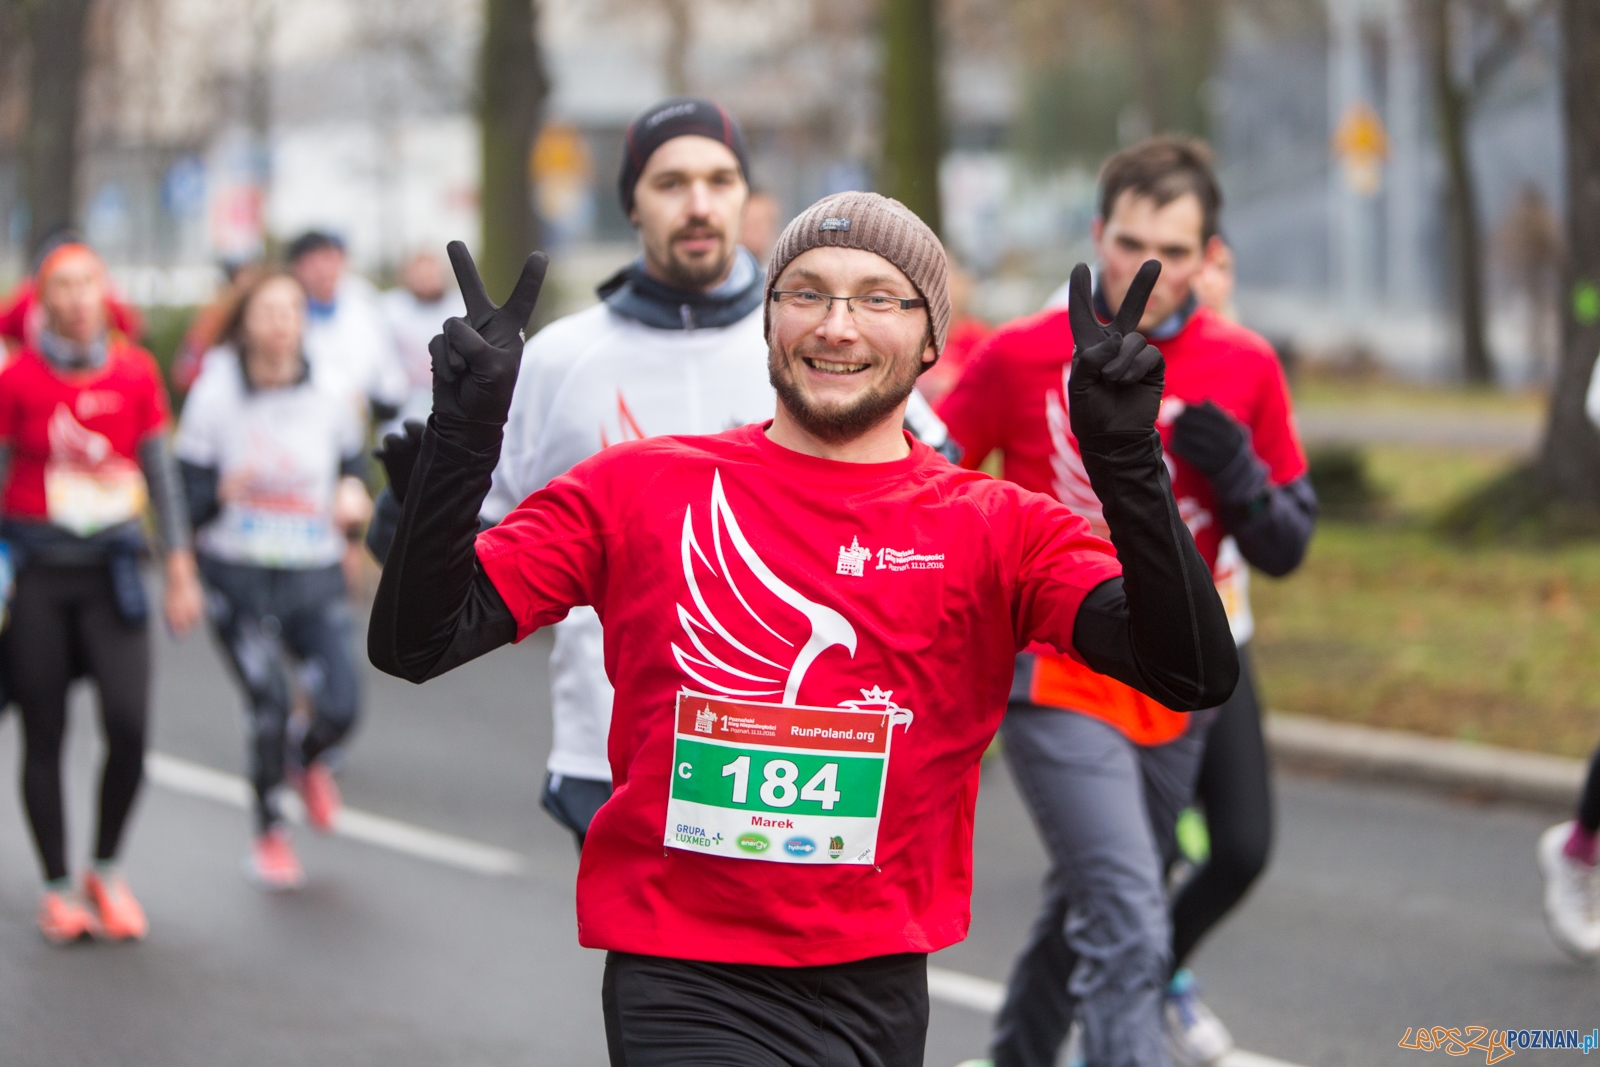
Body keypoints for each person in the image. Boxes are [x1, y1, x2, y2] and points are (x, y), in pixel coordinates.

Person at [368, 188, 1238, 1066]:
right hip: (684, 975)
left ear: (931, 338)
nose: (838, 325)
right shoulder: (636, 488)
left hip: (880, 983)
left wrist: (1127, 458)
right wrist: (464, 433)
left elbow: (1191, 669)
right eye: (807, 292)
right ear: (769, 318)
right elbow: (418, 641)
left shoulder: (997, 526)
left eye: (878, 298)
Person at [938, 137, 1314, 1067]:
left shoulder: (1245, 364)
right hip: (1058, 671)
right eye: (1130, 240)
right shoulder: (1026, 352)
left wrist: (1246, 487)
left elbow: (1289, 543)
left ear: (1209, 256)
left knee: (1092, 909)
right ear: (1098, 233)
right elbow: (934, 479)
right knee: (1131, 920)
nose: (1150, 267)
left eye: (1176, 251)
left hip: (1179, 677)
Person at [0, 240, 204, 942]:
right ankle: (57, 886)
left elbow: (162, 475)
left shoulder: (136, 374)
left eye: (88, 283)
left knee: (129, 726)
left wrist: (179, 565)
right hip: (38, 575)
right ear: (43, 301)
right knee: (45, 730)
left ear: (103, 294)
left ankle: (105, 868)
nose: (78, 297)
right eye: (63, 285)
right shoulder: (17, 379)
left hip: (113, 573)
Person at [175, 271, 371, 890]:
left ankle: (304, 757)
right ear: (245, 323)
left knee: (341, 703)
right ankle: (269, 835)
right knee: (270, 702)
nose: (284, 322)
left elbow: (350, 462)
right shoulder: (214, 394)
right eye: (269, 311)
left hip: (311, 569)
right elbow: (184, 496)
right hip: (237, 574)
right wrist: (220, 494)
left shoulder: (331, 389)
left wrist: (350, 507)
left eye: (293, 310)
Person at [288, 231, 408, 422]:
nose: (324, 270)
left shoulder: (365, 308)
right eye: (313, 263)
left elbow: (388, 370)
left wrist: (385, 398)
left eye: (329, 260)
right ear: (298, 268)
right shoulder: (288, 316)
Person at [381, 249, 466, 431]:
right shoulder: (391, 309)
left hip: (450, 402)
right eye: (420, 274)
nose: (426, 280)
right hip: (405, 404)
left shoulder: (460, 308)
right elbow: (383, 355)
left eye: (431, 274)